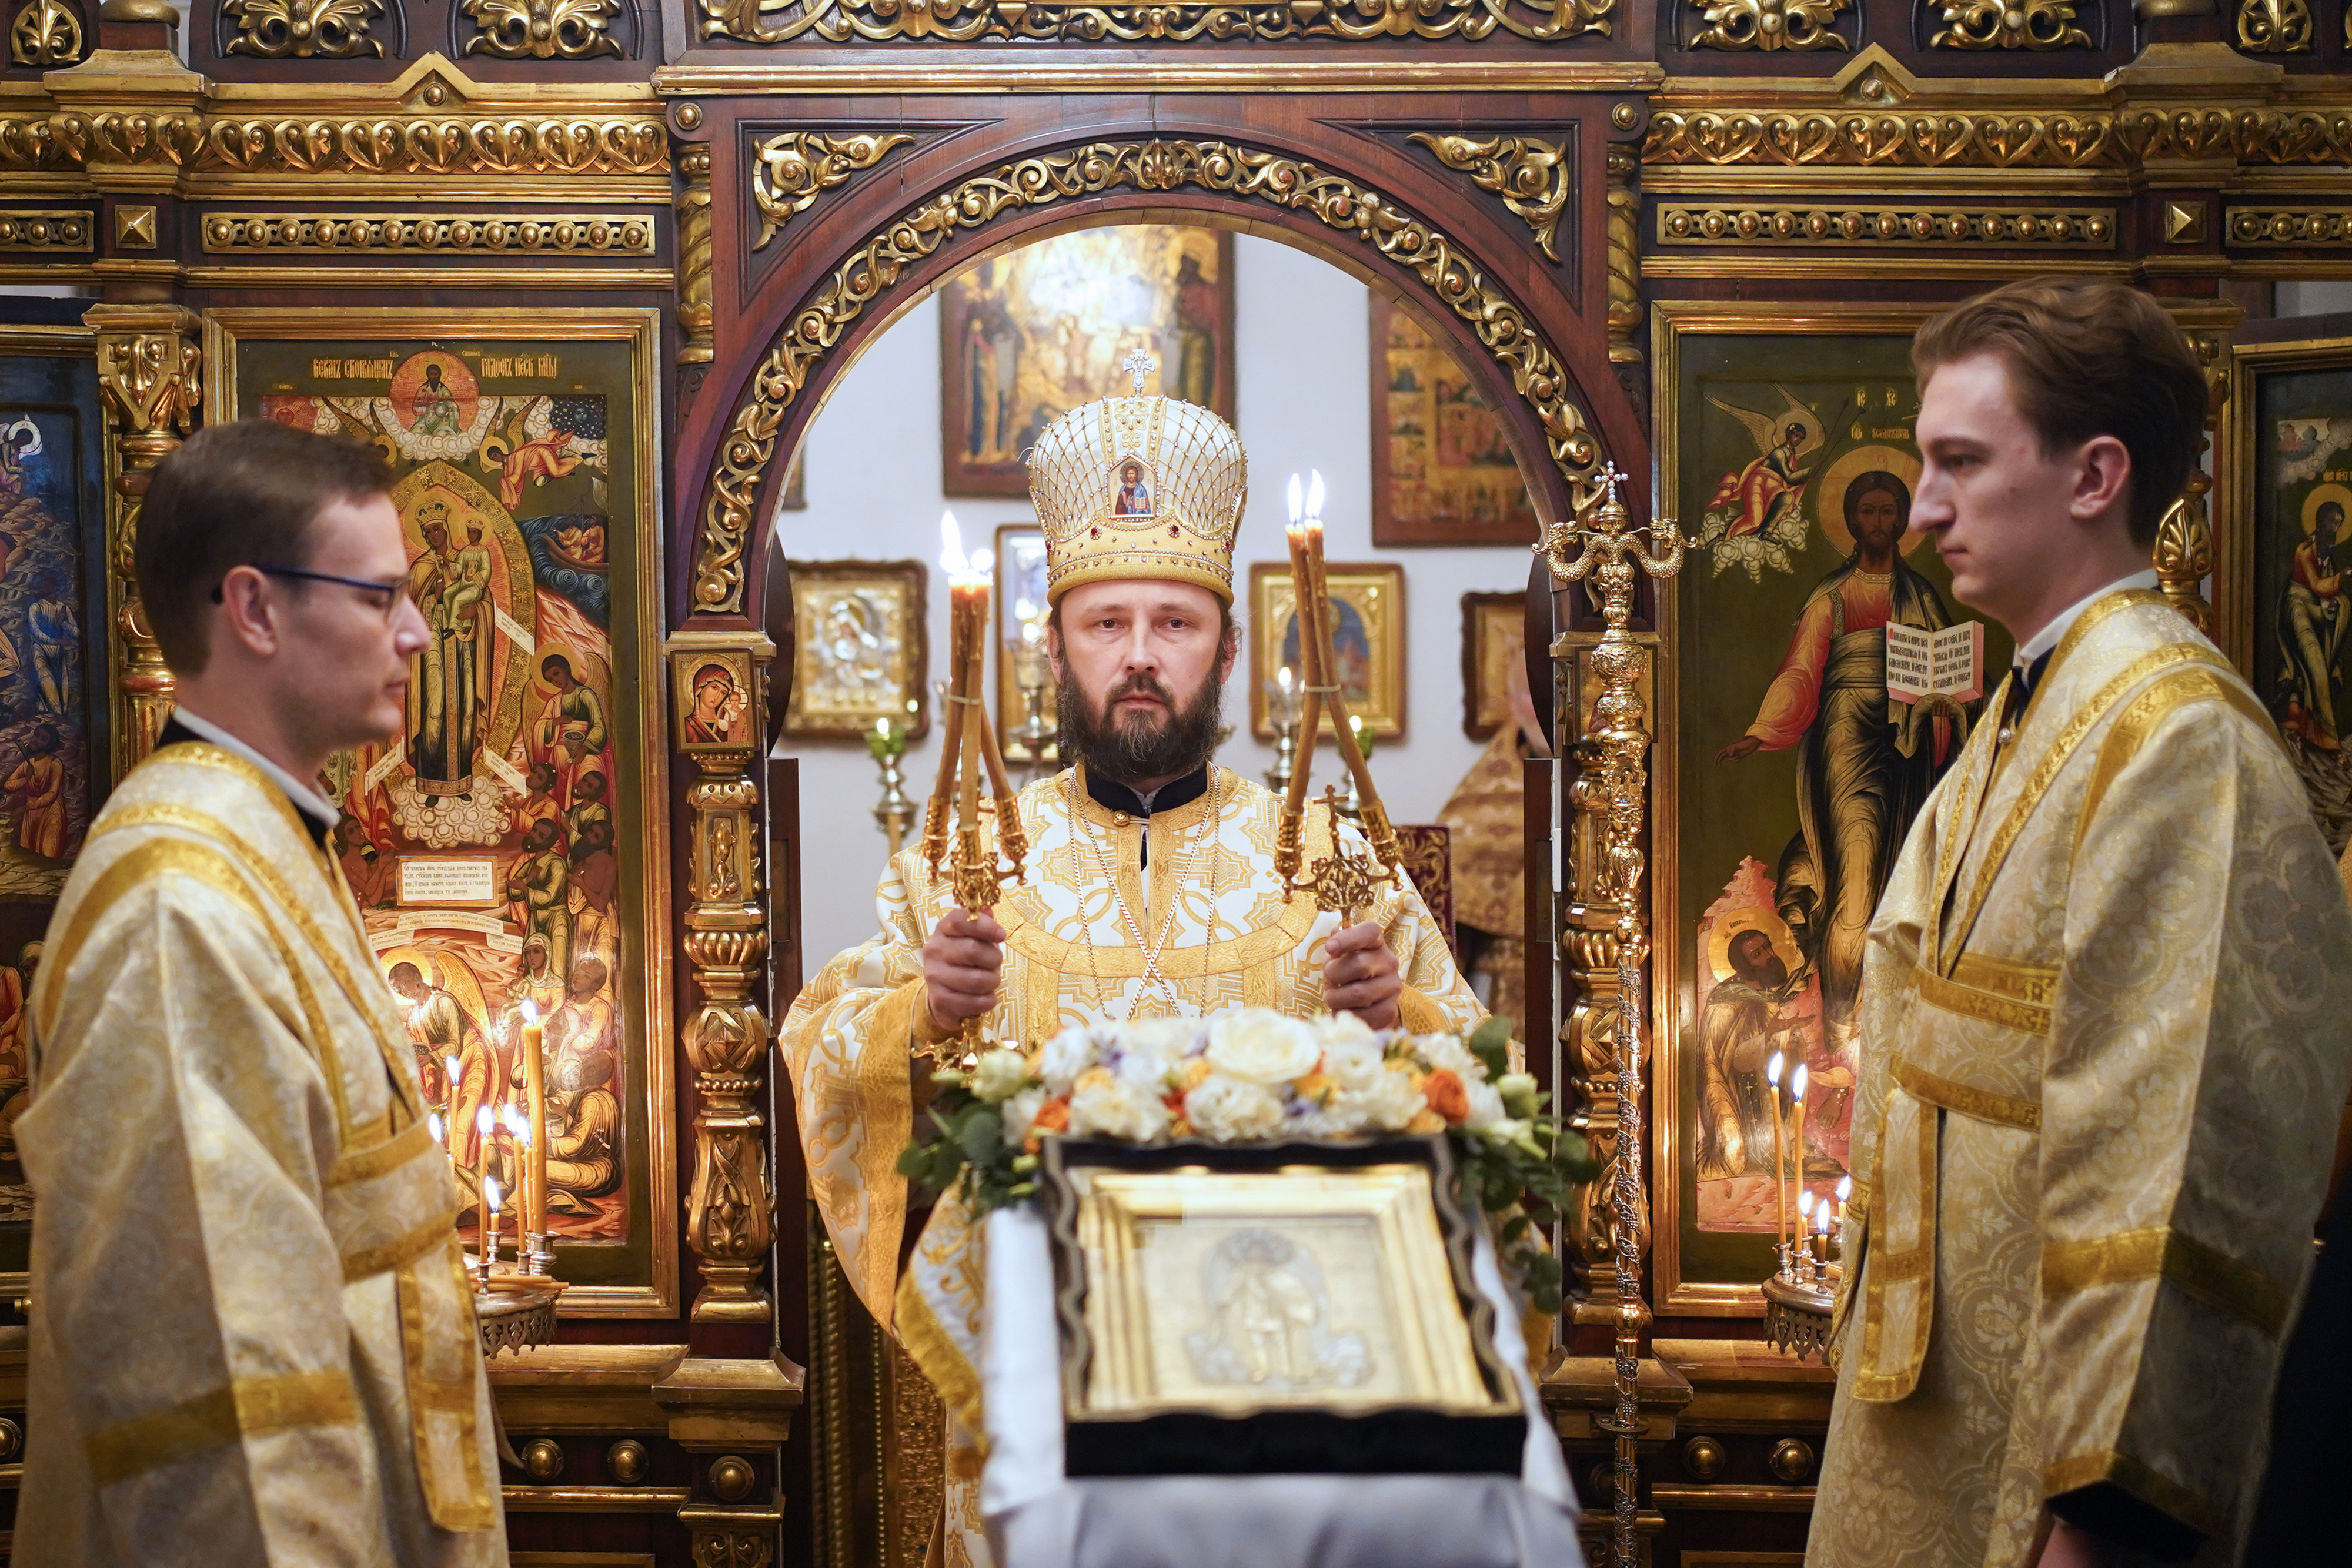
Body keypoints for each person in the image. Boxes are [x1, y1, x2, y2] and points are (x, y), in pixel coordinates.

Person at [780, 371, 1492, 1568]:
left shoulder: (1329, 853)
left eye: (1175, 623)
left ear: (1223, 647)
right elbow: (821, 1048)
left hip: (1277, 1369)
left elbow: (1479, 1074)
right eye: (1106, 625)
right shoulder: (958, 858)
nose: (1140, 657)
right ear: (1053, 641)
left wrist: (1401, 1012)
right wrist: (923, 1010)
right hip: (1037, 1369)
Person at [1808, 279, 2352, 1568]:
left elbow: (2173, 1147)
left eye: (1958, 461)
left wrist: (2102, 1510)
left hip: (2045, 1455)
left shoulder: (2177, 741)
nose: (1922, 505)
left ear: (2093, 473)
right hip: (1935, 1389)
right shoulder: (2029, 697)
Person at [14, 417, 503, 1563]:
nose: (421, 633)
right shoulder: (177, 906)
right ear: (257, 608)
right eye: (381, 597)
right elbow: (228, 1388)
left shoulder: (262, 834)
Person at [1716, 472, 1972, 1027]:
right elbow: (1802, 670)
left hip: (1909, 742)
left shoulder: (1921, 595)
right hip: (1848, 732)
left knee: (1905, 871)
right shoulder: (1833, 594)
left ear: (1903, 522)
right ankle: (1840, 1024)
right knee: (1855, 880)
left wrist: (1950, 704)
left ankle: (1897, 1024)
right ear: (1852, 521)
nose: (1879, 523)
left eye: (1888, 513)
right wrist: (1761, 733)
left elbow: (1951, 675)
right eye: (1868, 512)